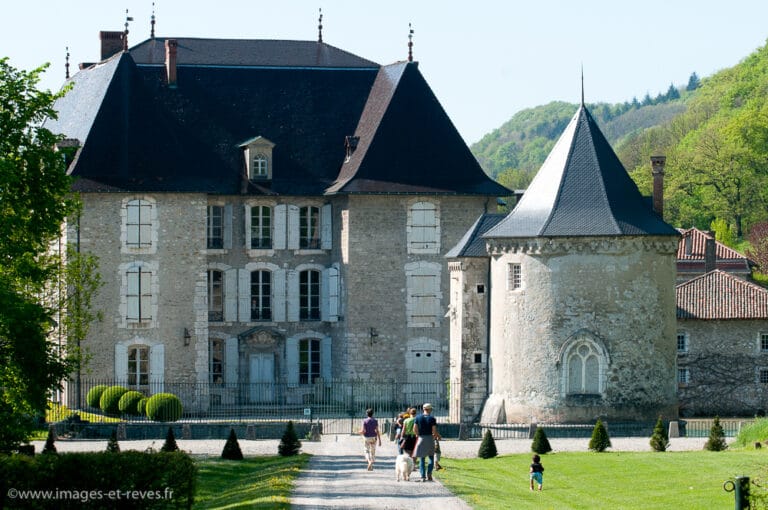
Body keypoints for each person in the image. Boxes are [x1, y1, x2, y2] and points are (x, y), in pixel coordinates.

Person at [412, 402, 441, 482]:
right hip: (429, 438)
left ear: (423, 409)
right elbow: (434, 431)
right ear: (430, 410)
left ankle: (423, 476)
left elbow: (414, 429)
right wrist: (437, 436)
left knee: (422, 458)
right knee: (431, 457)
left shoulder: (418, 418)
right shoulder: (432, 418)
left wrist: (417, 435)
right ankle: (429, 473)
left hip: (421, 438)